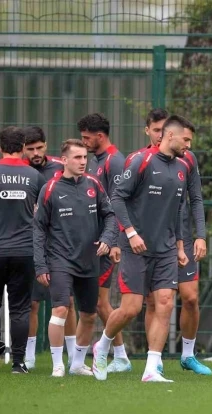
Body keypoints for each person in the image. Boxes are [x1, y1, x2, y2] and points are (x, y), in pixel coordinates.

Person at [92, 115, 193, 383]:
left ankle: (151, 369)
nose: (189, 145)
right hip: (135, 247)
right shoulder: (141, 161)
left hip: (166, 249)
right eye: (186, 139)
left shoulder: (182, 168)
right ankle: (102, 345)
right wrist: (130, 232)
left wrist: (180, 246)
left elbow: (177, 210)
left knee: (165, 303)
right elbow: (117, 197)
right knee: (131, 308)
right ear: (169, 136)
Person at [33, 139, 117, 377]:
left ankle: (77, 364)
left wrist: (107, 239)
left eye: (84, 157)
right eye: (77, 157)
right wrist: (40, 264)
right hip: (60, 259)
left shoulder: (94, 184)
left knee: (89, 314)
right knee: (61, 308)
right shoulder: (50, 189)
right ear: (65, 160)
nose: (83, 162)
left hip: (89, 258)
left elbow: (110, 215)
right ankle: (57, 365)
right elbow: (38, 229)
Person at [135, 109, 209, 375]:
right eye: (155, 130)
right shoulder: (141, 160)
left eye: (162, 130)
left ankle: (188, 355)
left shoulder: (187, 158)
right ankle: (154, 360)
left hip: (181, 237)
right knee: (154, 301)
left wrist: (200, 235)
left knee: (190, 297)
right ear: (150, 131)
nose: (159, 135)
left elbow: (195, 198)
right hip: (151, 240)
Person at [0, 126, 47, 374]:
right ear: (23, 147)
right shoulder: (34, 176)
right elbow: (45, 209)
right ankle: (18, 363)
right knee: (20, 307)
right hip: (25, 251)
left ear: (0, 147)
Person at [77, 113, 132, 373]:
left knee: (100, 302)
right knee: (97, 302)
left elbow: (120, 202)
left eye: (87, 138)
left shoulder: (115, 161)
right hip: (95, 240)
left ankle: (118, 355)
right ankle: (119, 356)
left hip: (108, 242)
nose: (84, 142)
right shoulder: (96, 160)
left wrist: (116, 241)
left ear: (100, 136)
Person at [21, 126, 79, 371]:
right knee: (31, 303)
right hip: (30, 243)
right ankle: (29, 357)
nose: (35, 153)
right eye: (30, 149)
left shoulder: (59, 167)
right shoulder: (19, 171)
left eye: (39, 147)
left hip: (61, 245)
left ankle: (73, 357)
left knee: (68, 302)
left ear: (46, 145)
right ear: (23, 149)